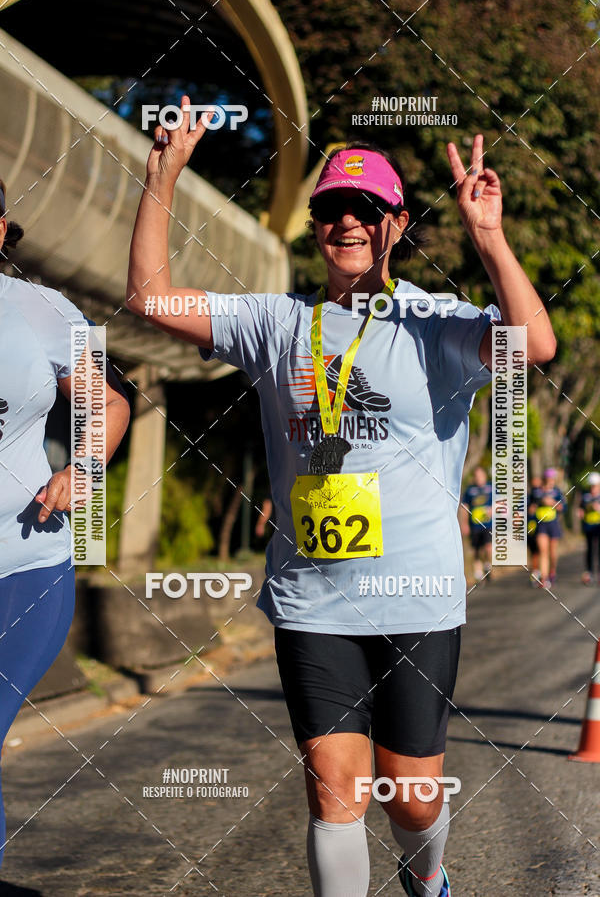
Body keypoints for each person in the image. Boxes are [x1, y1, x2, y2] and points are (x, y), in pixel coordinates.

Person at [126, 97, 556, 897]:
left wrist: (489, 238)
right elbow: (152, 298)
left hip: (417, 596)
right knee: (335, 790)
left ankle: (427, 875)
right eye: (331, 210)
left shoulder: (434, 323)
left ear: (396, 223)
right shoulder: (276, 321)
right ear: (315, 227)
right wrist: (162, 177)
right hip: (313, 599)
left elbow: (533, 344)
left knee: (413, 797)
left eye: (365, 209)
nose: (346, 223)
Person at [0, 178, 130, 863]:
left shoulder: (43, 310)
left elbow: (108, 405)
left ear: (1, 230)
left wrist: (83, 470)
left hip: (23, 567)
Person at [530, 468, 566, 589]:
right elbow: (530, 507)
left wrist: (552, 503)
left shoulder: (557, 492)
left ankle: (552, 571)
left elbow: (562, 507)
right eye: (548, 479)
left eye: (552, 479)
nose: (550, 481)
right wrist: (534, 507)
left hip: (553, 524)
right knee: (543, 551)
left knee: (552, 553)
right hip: (541, 525)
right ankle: (544, 579)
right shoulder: (537, 492)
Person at [460, 466, 493, 583]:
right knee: (476, 550)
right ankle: (479, 575)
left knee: (488, 547)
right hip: (474, 526)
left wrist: (493, 509)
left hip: (488, 525)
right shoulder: (470, 491)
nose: (479, 478)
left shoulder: (491, 488)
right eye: (477, 476)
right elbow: (464, 508)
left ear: (485, 476)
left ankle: (487, 565)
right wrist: (464, 524)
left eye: (481, 475)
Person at [577, 471, 600, 585]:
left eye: (595, 486)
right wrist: (580, 512)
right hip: (588, 527)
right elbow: (580, 508)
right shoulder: (586, 496)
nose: (593, 488)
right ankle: (589, 573)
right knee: (590, 550)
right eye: (591, 486)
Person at [527, 474, 542, 585]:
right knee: (534, 552)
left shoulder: (544, 494)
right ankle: (536, 573)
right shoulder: (527, 497)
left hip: (543, 526)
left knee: (542, 550)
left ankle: (543, 572)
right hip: (531, 526)